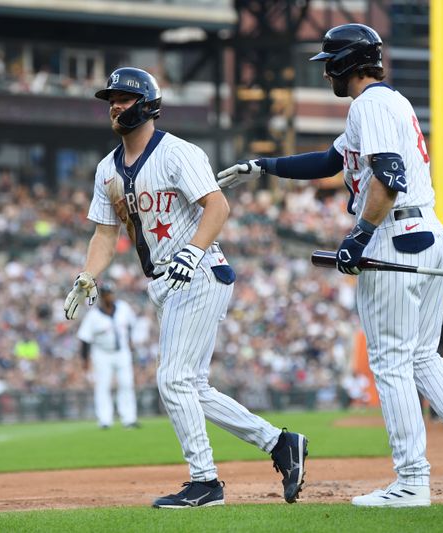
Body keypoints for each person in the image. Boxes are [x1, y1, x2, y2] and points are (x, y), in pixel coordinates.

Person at [217, 24, 443, 507]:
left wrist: (361, 234)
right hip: (429, 233)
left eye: (329, 62)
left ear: (344, 64)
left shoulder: (367, 104)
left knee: (391, 361)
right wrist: (263, 166)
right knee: (422, 357)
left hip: (394, 234)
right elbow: (329, 162)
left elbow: (388, 175)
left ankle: (413, 480)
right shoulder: (388, 103)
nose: (326, 71)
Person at [62, 67, 308, 509]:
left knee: (172, 379)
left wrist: (192, 251)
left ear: (148, 104)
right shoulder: (106, 169)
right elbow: (104, 233)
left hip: (199, 271)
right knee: (192, 386)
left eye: (124, 98)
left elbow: (218, 206)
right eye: (111, 99)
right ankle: (281, 444)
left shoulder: (178, 152)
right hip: (164, 283)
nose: (115, 105)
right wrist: (89, 275)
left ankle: (206, 482)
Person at [76, 282, 139, 429]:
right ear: (101, 297)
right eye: (106, 294)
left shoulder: (123, 308)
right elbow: (85, 339)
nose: (109, 296)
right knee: (103, 386)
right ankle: (105, 420)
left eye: (110, 293)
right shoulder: (93, 316)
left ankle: (129, 418)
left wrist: (130, 343)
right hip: (102, 354)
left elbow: (130, 326)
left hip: (122, 351)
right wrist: (85, 361)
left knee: (126, 383)